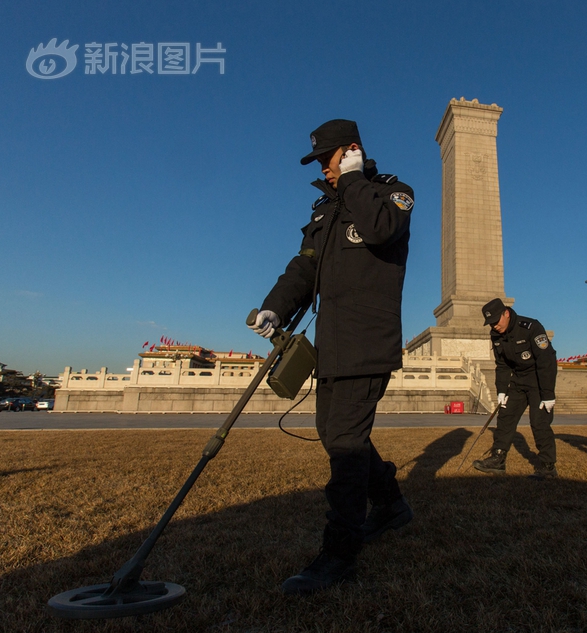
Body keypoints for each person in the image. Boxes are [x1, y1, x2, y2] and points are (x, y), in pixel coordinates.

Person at [249, 119, 415, 594]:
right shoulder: (324, 208)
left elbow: (382, 231)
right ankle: (391, 505)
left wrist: (356, 180)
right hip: (331, 344)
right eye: (320, 162)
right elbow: (304, 268)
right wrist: (275, 307)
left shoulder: (390, 193)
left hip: (369, 341)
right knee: (336, 435)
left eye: (328, 158)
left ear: (352, 152)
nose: (323, 168)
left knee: (344, 444)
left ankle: (339, 552)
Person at [473, 298, 559, 479]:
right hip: (518, 380)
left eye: (496, 321)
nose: (494, 326)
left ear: (506, 313)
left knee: (539, 423)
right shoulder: (496, 334)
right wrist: (502, 391)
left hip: (538, 380)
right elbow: (502, 364)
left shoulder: (531, 327)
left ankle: (547, 467)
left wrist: (548, 394)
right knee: (505, 417)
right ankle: (498, 459)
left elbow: (546, 360)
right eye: (490, 323)